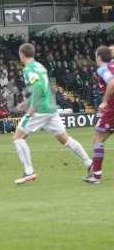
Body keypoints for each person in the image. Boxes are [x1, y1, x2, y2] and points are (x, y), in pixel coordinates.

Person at [12, 43, 92, 184]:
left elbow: (38, 87)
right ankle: (89, 163)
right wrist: (26, 103)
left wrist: (31, 108)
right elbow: (44, 87)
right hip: (51, 107)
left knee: (18, 137)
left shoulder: (28, 69)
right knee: (65, 139)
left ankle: (29, 172)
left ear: (22, 54)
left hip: (40, 109)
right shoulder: (40, 66)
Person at [85, 46, 114, 184]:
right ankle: (94, 171)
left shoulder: (102, 69)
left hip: (112, 109)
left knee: (97, 138)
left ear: (98, 57)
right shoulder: (112, 64)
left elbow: (112, 82)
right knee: (98, 138)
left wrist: (104, 102)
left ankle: (96, 175)